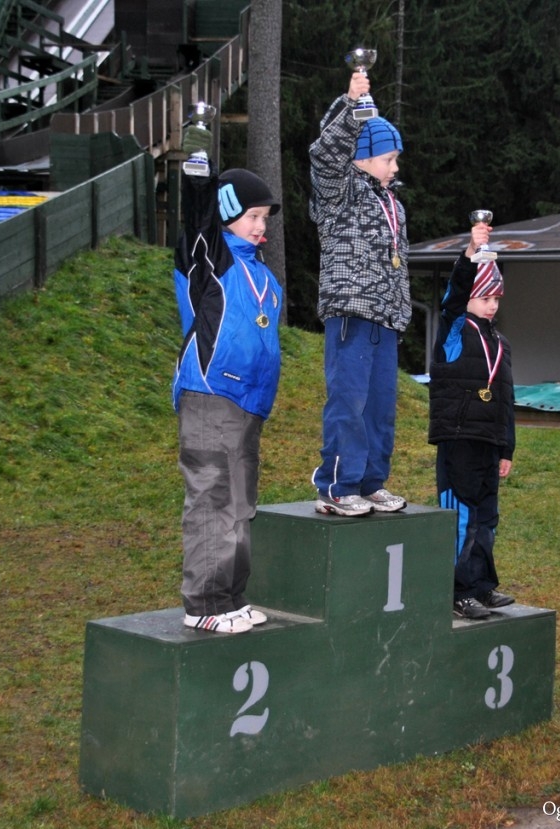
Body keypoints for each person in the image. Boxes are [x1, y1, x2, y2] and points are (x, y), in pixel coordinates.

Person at [172, 124, 282, 634]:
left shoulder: (263, 275)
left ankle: (230, 597)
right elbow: (198, 219)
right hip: (210, 395)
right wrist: (199, 170)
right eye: (253, 217)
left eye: (264, 218)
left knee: (240, 505)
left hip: (246, 403)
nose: (262, 227)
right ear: (228, 215)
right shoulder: (208, 262)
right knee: (212, 499)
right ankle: (205, 605)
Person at [308, 71, 412, 517]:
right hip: (350, 313)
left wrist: (400, 310)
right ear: (362, 159)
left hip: (386, 319)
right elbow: (324, 153)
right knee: (348, 402)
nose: (394, 167)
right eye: (389, 159)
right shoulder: (340, 192)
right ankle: (336, 486)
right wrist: (352, 106)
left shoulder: (392, 202)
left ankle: (370, 482)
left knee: (380, 409)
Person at [428, 222, 516, 620]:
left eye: (496, 297)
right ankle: (455, 590)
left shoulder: (501, 343)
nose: (492, 305)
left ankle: (481, 586)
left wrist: (506, 447)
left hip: (487, 440)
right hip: (459, 438)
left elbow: (506, 400)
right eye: (484, 297)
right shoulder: (454, 330)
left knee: (486, 519)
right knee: (461, 517)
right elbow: (454, 296)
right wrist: (469, 255)